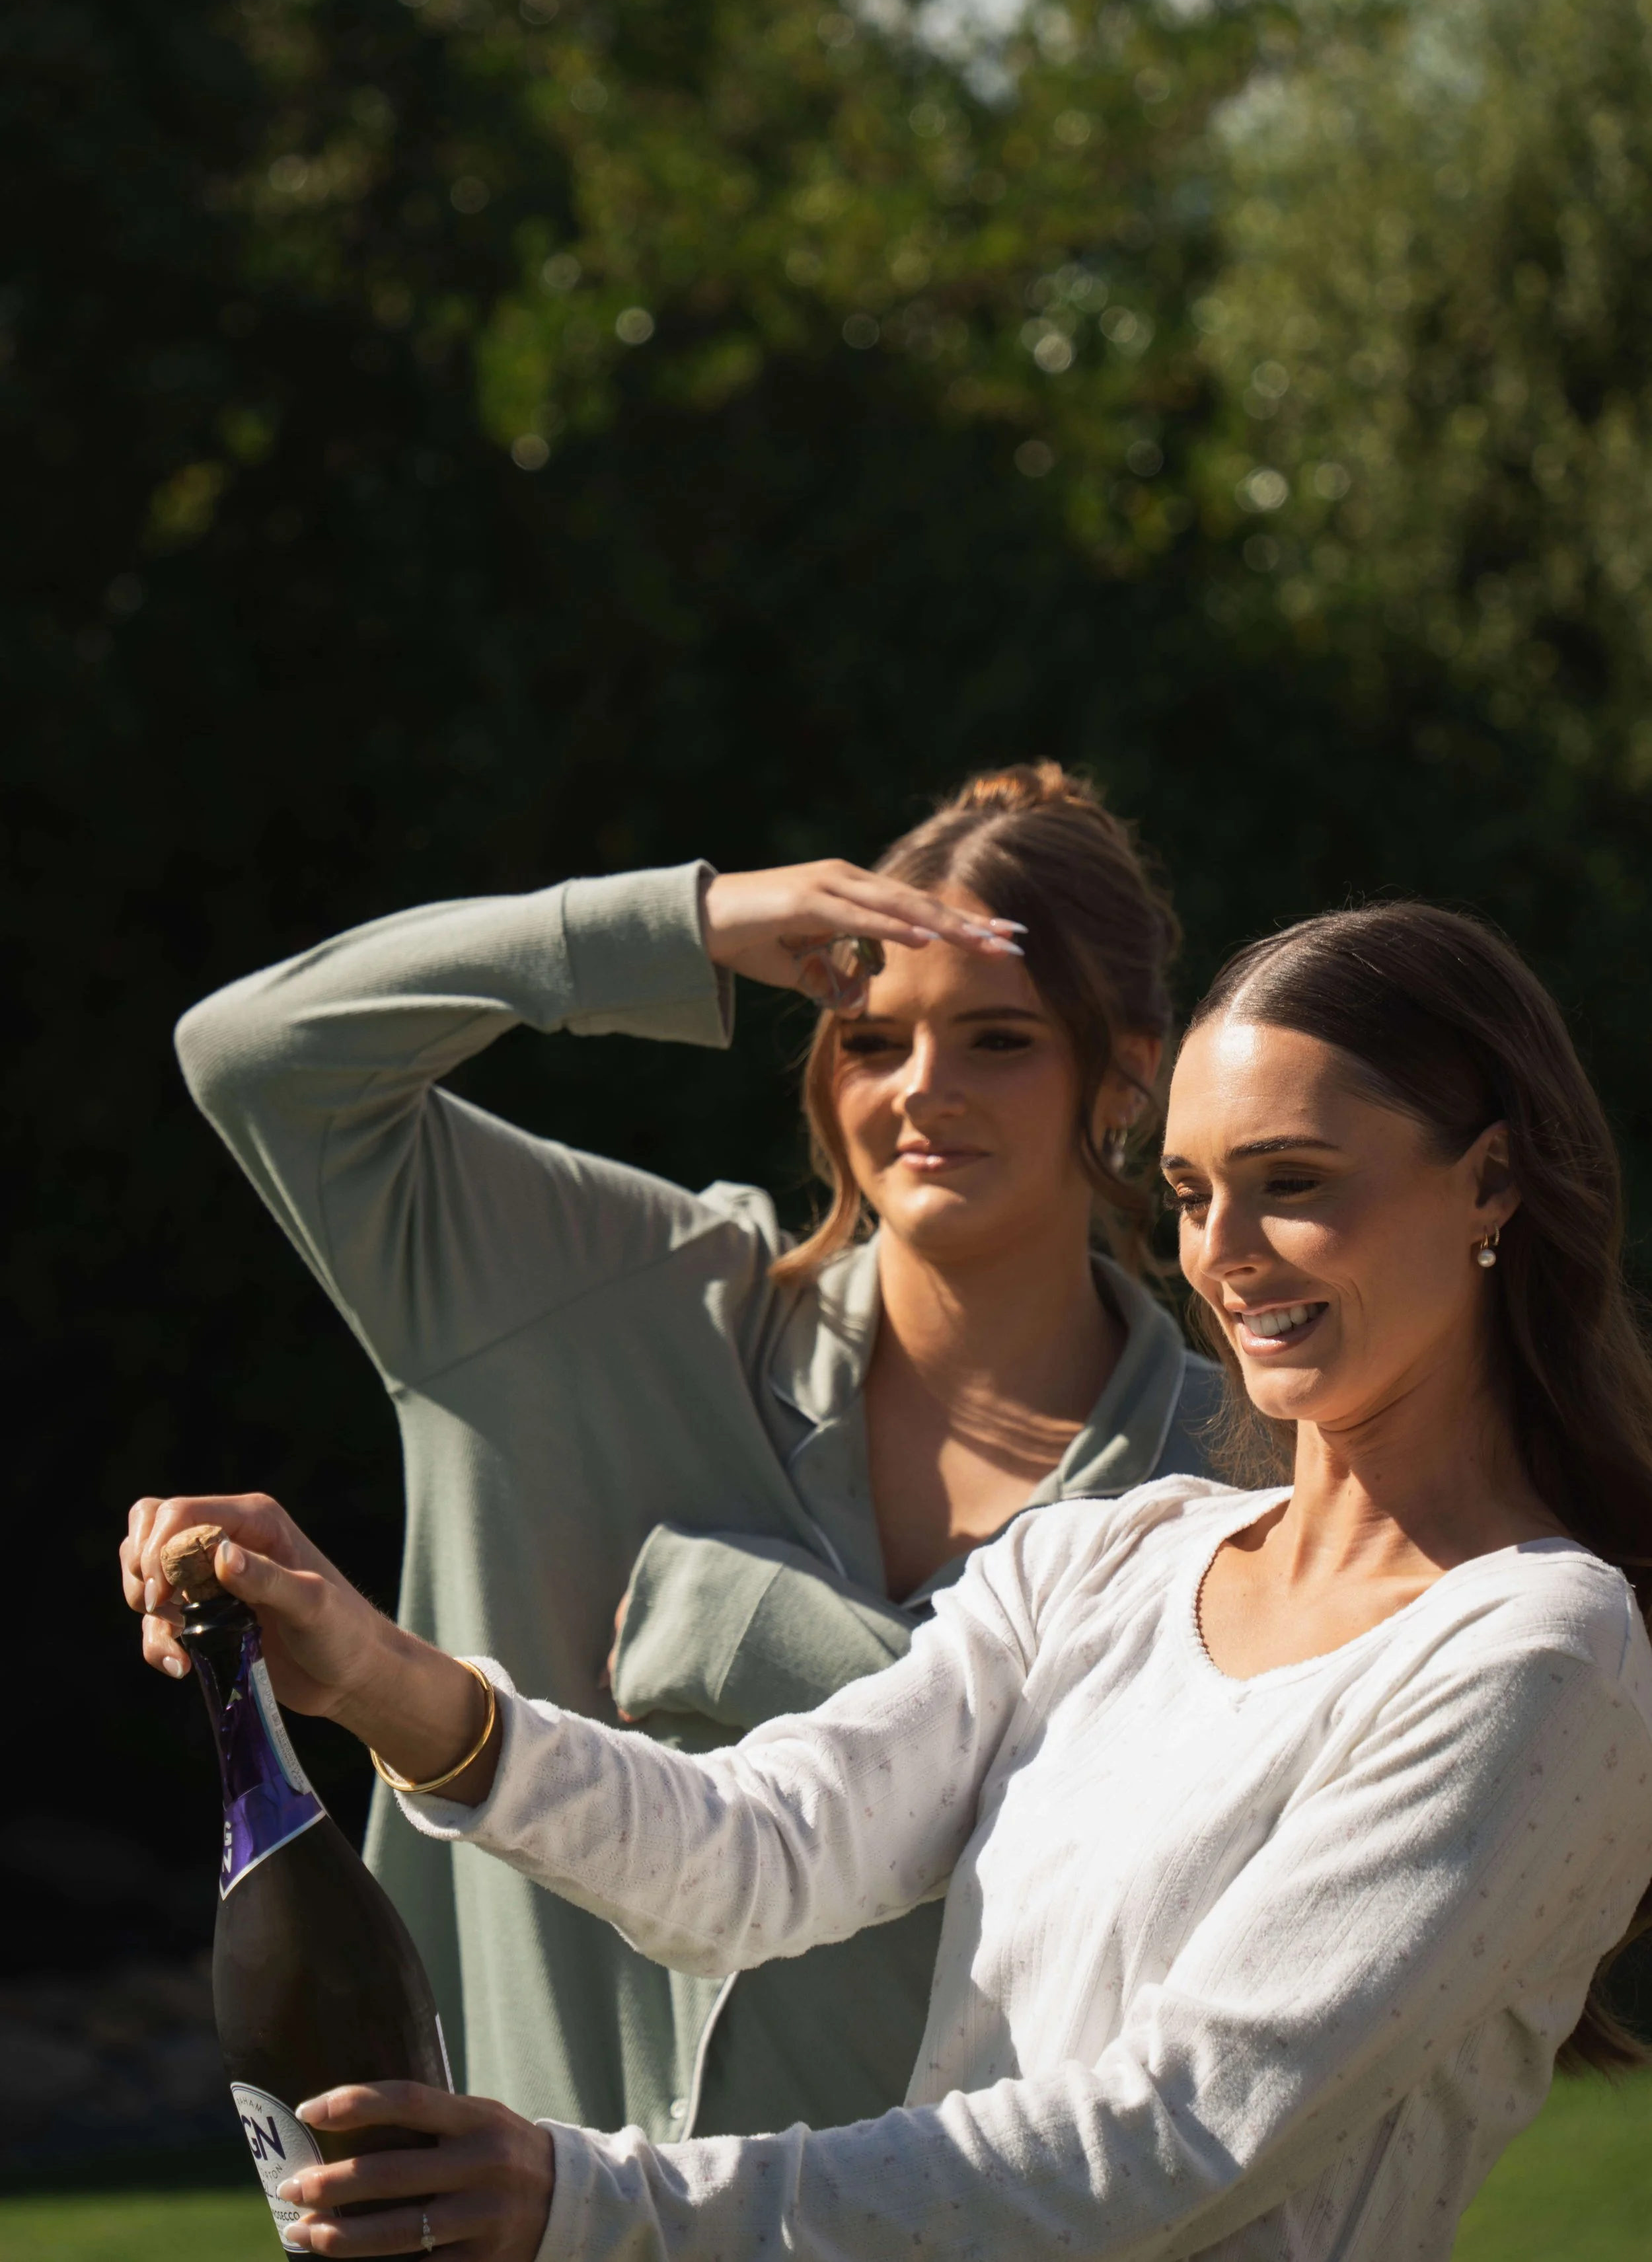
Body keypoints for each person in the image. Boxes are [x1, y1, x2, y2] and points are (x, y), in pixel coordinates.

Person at [130, 897, 1652, 2262]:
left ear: (1490, 1188)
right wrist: (375, 1675)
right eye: (1188, 1192)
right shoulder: (1113, 1555)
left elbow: (1170, 2138)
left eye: (1291, 1181)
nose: (1225, 1253)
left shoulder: (1535, 1649)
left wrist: (592, 2201)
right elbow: (755, 1847)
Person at [167, 763, 1221, 2138]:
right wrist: (685, 924)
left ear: (1126, 1075)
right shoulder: (605, 1296)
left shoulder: (1242, 1466)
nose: (922, 1091)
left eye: (997, 1040)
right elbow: (256, 1056)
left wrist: (760, 1634)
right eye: (870, 1038)